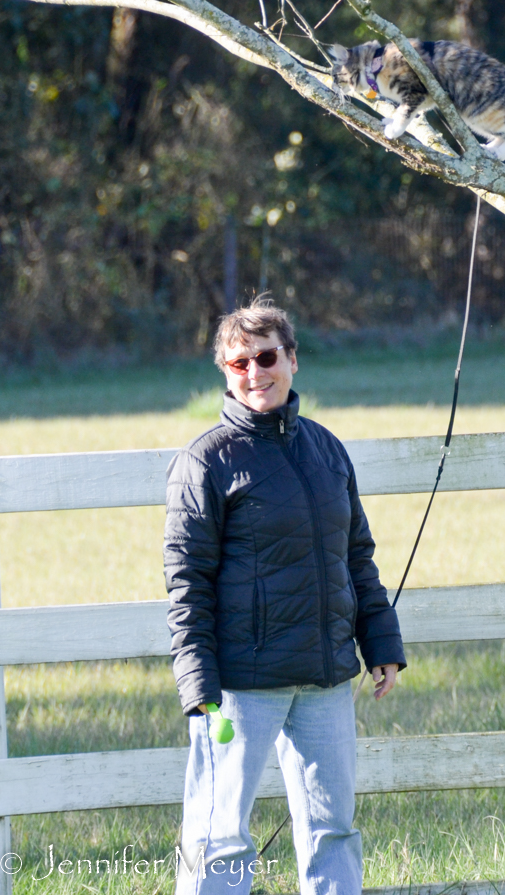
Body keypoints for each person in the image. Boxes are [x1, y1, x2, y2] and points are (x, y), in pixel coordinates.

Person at [164, 296, 406, 895]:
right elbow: (186, 584)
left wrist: (382, 642)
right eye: (239, 363)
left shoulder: (326, 450)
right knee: (219, 836)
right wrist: (199, 687)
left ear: (292, 360)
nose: (254, 374)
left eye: (265, 357)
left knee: (333, 830)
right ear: (225, 372)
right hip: (240, 686)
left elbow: (356, 557)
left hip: (324, 677)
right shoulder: (205, 462)